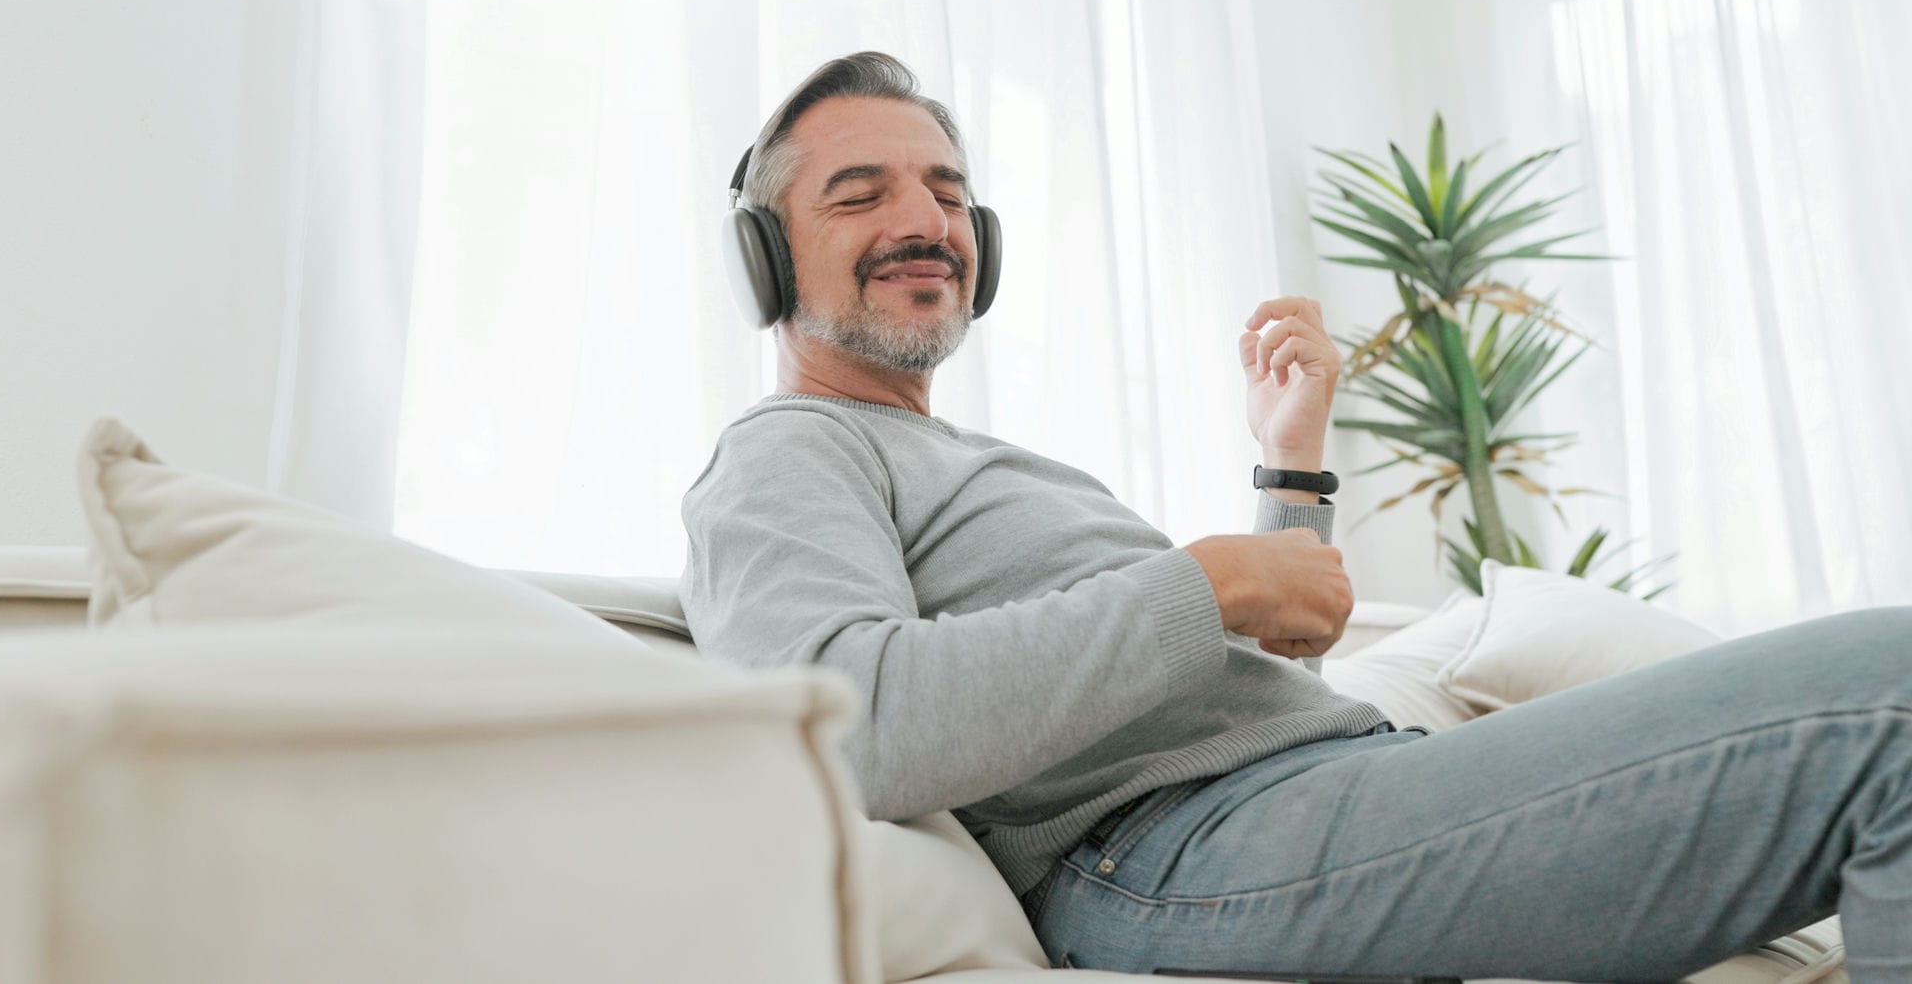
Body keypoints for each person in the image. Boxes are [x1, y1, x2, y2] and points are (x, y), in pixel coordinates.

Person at [677, 51, 1911, 981]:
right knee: (1889, 700)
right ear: (765, 259)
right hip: (1185, 853)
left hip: (1310, 788)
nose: (924, 221)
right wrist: (1205, 580)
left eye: (948, 192)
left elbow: (1272, 647)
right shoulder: (785, 454)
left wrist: (1288, 468)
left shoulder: (983, 461)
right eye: (859, 194)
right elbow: (846, 730)